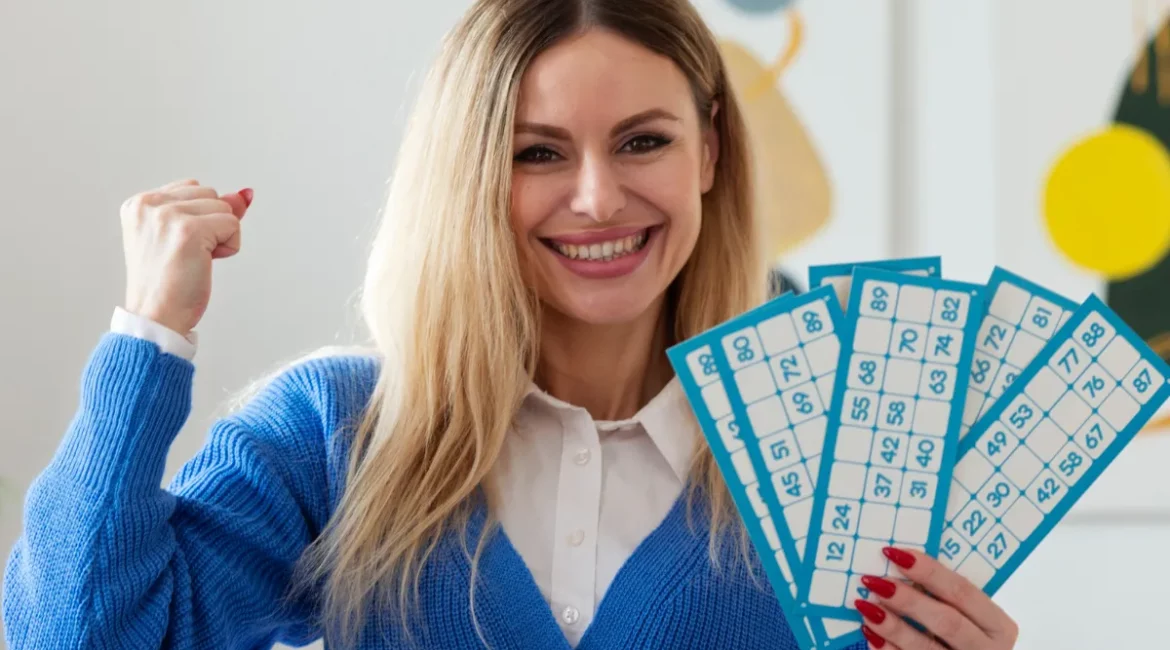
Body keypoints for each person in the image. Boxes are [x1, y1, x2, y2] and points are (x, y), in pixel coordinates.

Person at [2, 1, 1021, 648]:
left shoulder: (834, 465)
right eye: (539, 152)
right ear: (472, 174)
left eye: (643, 141)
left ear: (708, 153)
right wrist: (150, 335)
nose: (596, 198)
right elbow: (74, 635)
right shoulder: (337, 436)